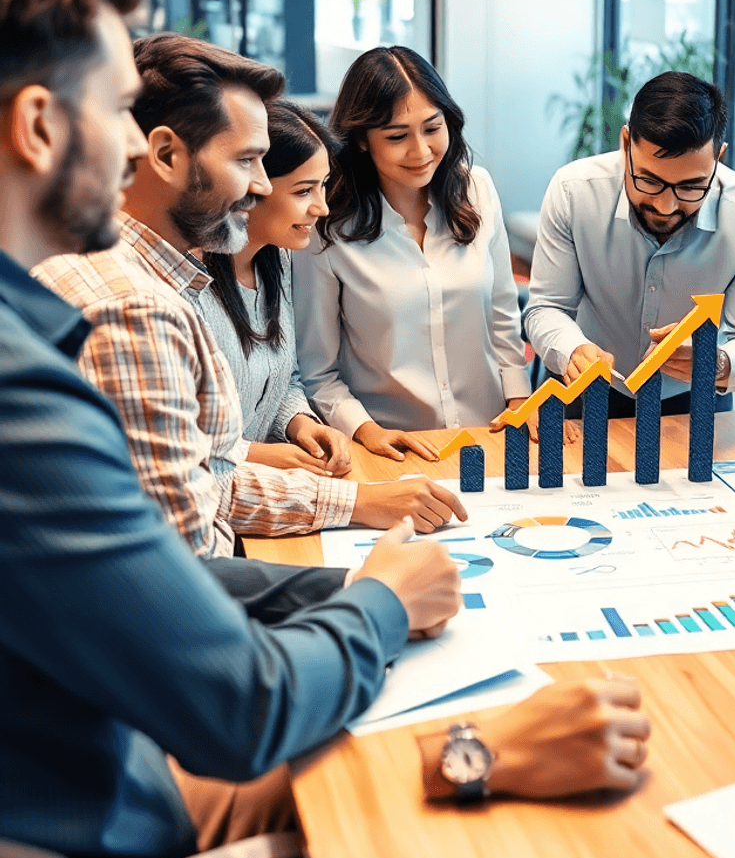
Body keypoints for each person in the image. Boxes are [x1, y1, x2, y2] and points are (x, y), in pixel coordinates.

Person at [0, 0, 651, 858]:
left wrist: (346, 589)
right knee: (470, 770)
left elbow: (150, 581)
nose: (137, 150)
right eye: (118, 111)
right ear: (42, 126)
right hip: (120, 823)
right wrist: (382, 611)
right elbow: (239, 708)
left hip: (104, 761)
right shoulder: (31, 389)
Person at [35, 35, 467, 553]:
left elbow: (206, 484)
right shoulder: (134, 308)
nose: (262, 187)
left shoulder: (167, 278)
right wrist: (369, 597)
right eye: (247, 162)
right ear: (167, 154)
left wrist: (354, 501)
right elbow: (189, 565)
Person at [293, 46, 532, 461]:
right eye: (397, 136)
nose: (421, 151)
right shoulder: (326, 225)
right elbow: (318, 371)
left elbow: (502, 317)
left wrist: (518, 401)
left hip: (490, 436)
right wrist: (366, 431)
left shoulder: (478, 190)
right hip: (391, 451)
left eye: (432, 128)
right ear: (363, 141)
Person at [524, 71, 735, 417]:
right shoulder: (574, 193)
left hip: (698, 402)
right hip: (584, 392)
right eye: (648, 180)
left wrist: (717, 361)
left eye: (691, 187)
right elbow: (546, 307)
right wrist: (572, 349)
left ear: (719, 158)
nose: (666, 207)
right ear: (624, 144)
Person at [194, 99, 352, 478]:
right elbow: (185, 437)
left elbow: (283, 381)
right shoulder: (190, 284)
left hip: (273, 484)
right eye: (303, 191)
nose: (322, 207)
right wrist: (257, 455)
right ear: (251, 188)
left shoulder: (277, 260)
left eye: (323, 187)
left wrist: (301, 424)